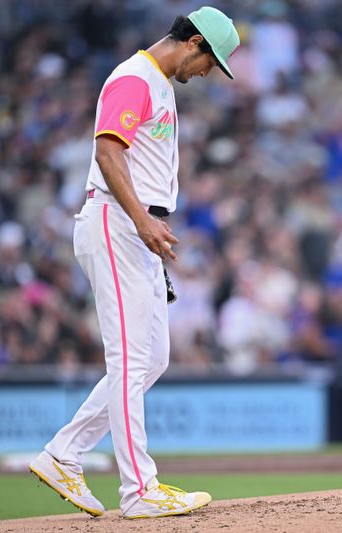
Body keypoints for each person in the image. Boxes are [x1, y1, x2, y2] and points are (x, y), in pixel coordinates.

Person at [28, 7, 240, 519]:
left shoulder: (161, 83)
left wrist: (148, 223)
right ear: (192, 42)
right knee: (129, 359)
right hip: (116, 221)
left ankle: (64, 453)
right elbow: (107, 152)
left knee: (155, 357)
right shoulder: (135, 76)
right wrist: (142, 219)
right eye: (211, 61)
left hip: (135, 227)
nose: (210, 72)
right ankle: (139, 490)